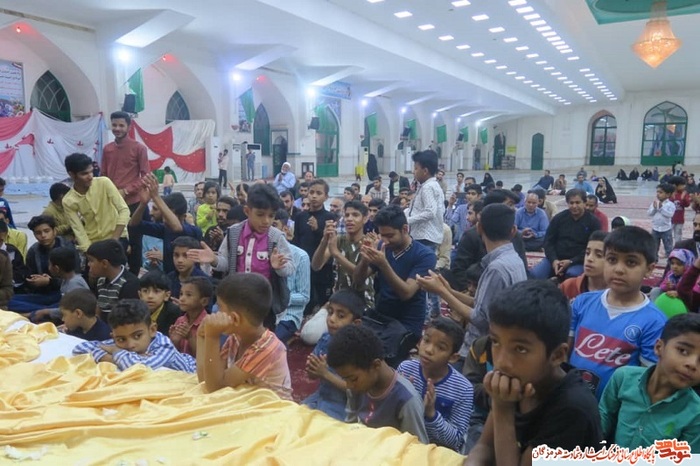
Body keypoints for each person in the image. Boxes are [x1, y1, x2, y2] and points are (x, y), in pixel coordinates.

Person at [465, 280, 603, 465]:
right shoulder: (521, 379)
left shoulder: (573, 409)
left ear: (557, 355)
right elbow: (485, 447)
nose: (502, 362)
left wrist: (503, 408)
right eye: (495, 342)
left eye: (520, 349)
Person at [569, 226, 668, 399]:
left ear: (649, 269)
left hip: (615, 408)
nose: (618, 269)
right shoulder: (582, 302)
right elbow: (564, 351)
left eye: (631, 262)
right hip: (570, 399)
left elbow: (645, 382)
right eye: (612, 259)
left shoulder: (655, 322)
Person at [188, 183, 294, 318]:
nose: (266, 221)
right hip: (236, 301)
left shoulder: (276, 237)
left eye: (271, 216)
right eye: (260, 215)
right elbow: (226, 263)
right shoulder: (233, 233)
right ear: (247, 211)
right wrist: (214, 260)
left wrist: (280, 267)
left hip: (264, 305)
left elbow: (290, 268)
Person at [599, 314, 700, 451]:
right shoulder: (623, 378)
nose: (692, 364)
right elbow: (601, 424)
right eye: (683, 351)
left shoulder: (695, 414)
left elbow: (686, 458)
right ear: (659, 347)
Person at [327, 324, 429, 443]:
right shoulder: (356, 386)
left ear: (375, 365)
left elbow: (417, 448)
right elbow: (351, 425)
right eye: (345, 379)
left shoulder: (407, 401)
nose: (349, 385)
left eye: (353, 379)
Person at [197, 273, 292, 399]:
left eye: (219, 308)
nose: (215, 313)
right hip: (245, 402)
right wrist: (201, 336)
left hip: (272, 408)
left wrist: (212, 337)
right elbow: (206, 380)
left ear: (235, 319)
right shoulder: (235, 338)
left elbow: (215, 388)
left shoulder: (267, 348)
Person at [353, 205, 436, 342]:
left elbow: (406, 293)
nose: (385, 240)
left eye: (390, 236)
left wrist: (383, 264)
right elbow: (358, 280)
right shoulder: (383, 246)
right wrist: (365, 260)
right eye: (382, 235)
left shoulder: (425, 255)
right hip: (380, 317)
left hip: (407, 323)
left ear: (405, 229)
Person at [398, 318, 474, 453]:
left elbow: (456, 440)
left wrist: (431, 414)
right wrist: (399, 396)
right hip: (404, 444)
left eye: (441, 347)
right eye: (426, 340)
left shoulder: (463, 389)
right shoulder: (406, 369)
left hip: (437, 453)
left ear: (453, 357)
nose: (429, 350)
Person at [73, 299, 196, 372]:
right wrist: (111, 357)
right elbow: (80, 348)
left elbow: (140, 367)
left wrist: (116, 352)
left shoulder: (164, 345)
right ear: (113, 336)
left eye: (137, 336)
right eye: (121, 339)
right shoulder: (119, 342)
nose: (130, 345)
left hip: (192, 374)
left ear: (152, 330)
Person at [303, 289, 364, 421]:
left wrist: (325, 374)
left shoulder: (358, 351)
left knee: (320, 427)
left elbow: (356, 390)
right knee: (294, 417)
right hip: (319, 397)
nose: (331, 319)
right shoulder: (325, 339)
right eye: (330, 312)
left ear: (356, 323)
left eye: (340, 316)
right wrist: (312, 369)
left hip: (341, 407)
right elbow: (312, 375)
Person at [102, 111, 151, 272]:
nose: (117, 128)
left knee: (135, 242)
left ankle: (134, 277)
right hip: (112, 204)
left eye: (121, 125)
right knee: (114, 241)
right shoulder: (107, 149)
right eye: (114, 125)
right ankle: (116, 274)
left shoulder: (139, 148)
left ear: (129, 127)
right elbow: (103, 175)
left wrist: (126, 190)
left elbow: (146, 175)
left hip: (133, 203)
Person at [129, 174, 202, 274]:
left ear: (183, 217)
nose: (165, 219)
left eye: (168, 215)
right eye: (164, 214)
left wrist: (156, 196)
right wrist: (143, 204)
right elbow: (134, 224)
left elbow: (177, 227)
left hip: (192, 279)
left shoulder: (194, 231)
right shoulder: (165, 229)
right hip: (170, 278)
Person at [62, 153, 130, 253]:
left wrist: (114, 240)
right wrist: (88, 252)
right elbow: (78, 230)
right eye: (84, 174)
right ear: (72, 175)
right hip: (94, 243)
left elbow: (124, 210)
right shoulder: (68, 200)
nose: (90, 176)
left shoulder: (104, 182)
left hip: (117, 237)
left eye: (91, 171)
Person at [312, 200, 374, 307]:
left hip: (362, 304)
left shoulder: (369, 244)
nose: (349, 219)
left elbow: (359, 277)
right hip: (337, 301)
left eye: (355, 215)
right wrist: (324, 240)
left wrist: (336, 254)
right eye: (347, 215)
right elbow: (316, 266)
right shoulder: (338, 240)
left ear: (365, 219)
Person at [531, 189, 601, 279]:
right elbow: (548, 241)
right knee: (535, 274)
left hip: (578, 261)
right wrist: (554, 260)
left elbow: (593, 248)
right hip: (555, 259)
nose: (574, 206)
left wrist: (571, 261)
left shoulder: (593, 222)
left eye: (577, 203)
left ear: (584, 203)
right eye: (571, 203)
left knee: (572, 276)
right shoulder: (559, 219)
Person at [293, 179, 335, 315]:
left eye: (318, 193)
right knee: (305, 301)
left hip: (323, 267)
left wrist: (317, 230)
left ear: (326, 197)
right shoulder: (300, 216)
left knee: (322, 302)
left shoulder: (330, 217)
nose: (314, 196)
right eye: (311, 192)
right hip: (303, 266)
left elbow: (330, 243)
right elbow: (297, 241)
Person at [272, 209, 310, 344]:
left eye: (274, 225)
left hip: (288, 314)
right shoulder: (260, 252)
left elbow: (304, 296)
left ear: (285, 229)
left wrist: (278, 298)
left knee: (272, 343)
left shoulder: (300, 256)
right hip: (263, 311)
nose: (270, 231)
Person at [26, 246, 90, 323]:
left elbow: (73, 310)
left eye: (50, 264)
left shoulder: (74, 284)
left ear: (56, 268)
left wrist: (45, 312)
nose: (49, 268)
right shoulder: (67, 280)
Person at [86, 239, 140, 320]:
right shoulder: (100, 281)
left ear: (104, 263)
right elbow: (99, 310)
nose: (88, 264)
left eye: (91, 261)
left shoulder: (129, 284)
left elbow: (127, 319)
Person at [406, 150, 445, 249]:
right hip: (425, 236)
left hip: (425, 237)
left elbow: (430, 212)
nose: (413, 172)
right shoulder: (430, 185)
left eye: (416, 168)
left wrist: (407, 220)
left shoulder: (428, 187)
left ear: (425, 171)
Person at [169, 277, 213, 357]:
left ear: (204, 301)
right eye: (181, 294)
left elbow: (205, 357)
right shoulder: (180, 320)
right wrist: (174, 341)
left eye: (188, 295)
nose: (182, 299)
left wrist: (190, 338)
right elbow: (174, 354)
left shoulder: (209, 324)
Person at [559, 231, 608, 301]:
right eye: (587, 253)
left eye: (598, 255)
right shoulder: (568, 286)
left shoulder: (616, 293)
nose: (589, 258)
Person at [167, 236, 211, 301]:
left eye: (185, 255)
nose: (180, 260)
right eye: (176, 255)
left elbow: (207, 306)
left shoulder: (204, 282)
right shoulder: (168, 278)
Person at [138, 270, 181, 335]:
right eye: (145, 291)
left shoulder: (174, 313)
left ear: (167, 295)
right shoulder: (135, 311)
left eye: (156, 291)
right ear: (140, 295)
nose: (150, 296)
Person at [648, 183, 676, 259]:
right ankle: (654, 260)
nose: (658, 194)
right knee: (654, 246)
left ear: (668, 194)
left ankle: (670, 260)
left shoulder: (670, 204)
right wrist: (654, 209)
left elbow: (670, 214)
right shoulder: (654, 203)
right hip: (655, 228)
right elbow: (649, 213)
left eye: (660, 192)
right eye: (657, 192)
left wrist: (661, 208)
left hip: (666, 229)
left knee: (668, 246)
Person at [670, 175, 690, 245]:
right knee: (668, 235)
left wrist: (683, 198)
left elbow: (687, 204)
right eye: (682, 185)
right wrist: (672, 197)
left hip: (680, 219)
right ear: (675, 185)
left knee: (678, 234)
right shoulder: (669, 194)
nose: (684, 186)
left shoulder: (684, 194)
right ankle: (669, 248)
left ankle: (678, 247)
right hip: (670, 219)